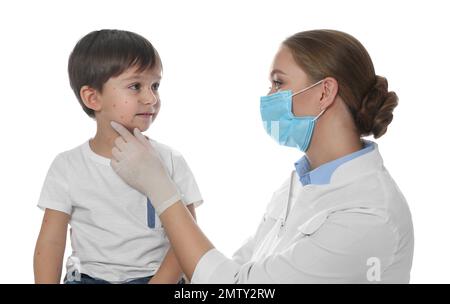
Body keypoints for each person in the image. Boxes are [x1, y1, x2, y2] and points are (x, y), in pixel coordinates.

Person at [110, 29, 414, 283]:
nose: (269, 97)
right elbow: (241, 269)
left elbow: (240, 289)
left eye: (279, 83)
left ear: (324, 92)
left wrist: (162, 191)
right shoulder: (301, 181)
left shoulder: (367, 215)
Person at [33, 29, 203, 284]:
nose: (151, 98)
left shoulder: (170, 161)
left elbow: (187, 237)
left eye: (155, 85)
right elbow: (50, 242)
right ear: (92, 97)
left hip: (154, 278)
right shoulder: (68, 166)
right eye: (136, 86)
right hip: (89, 279)